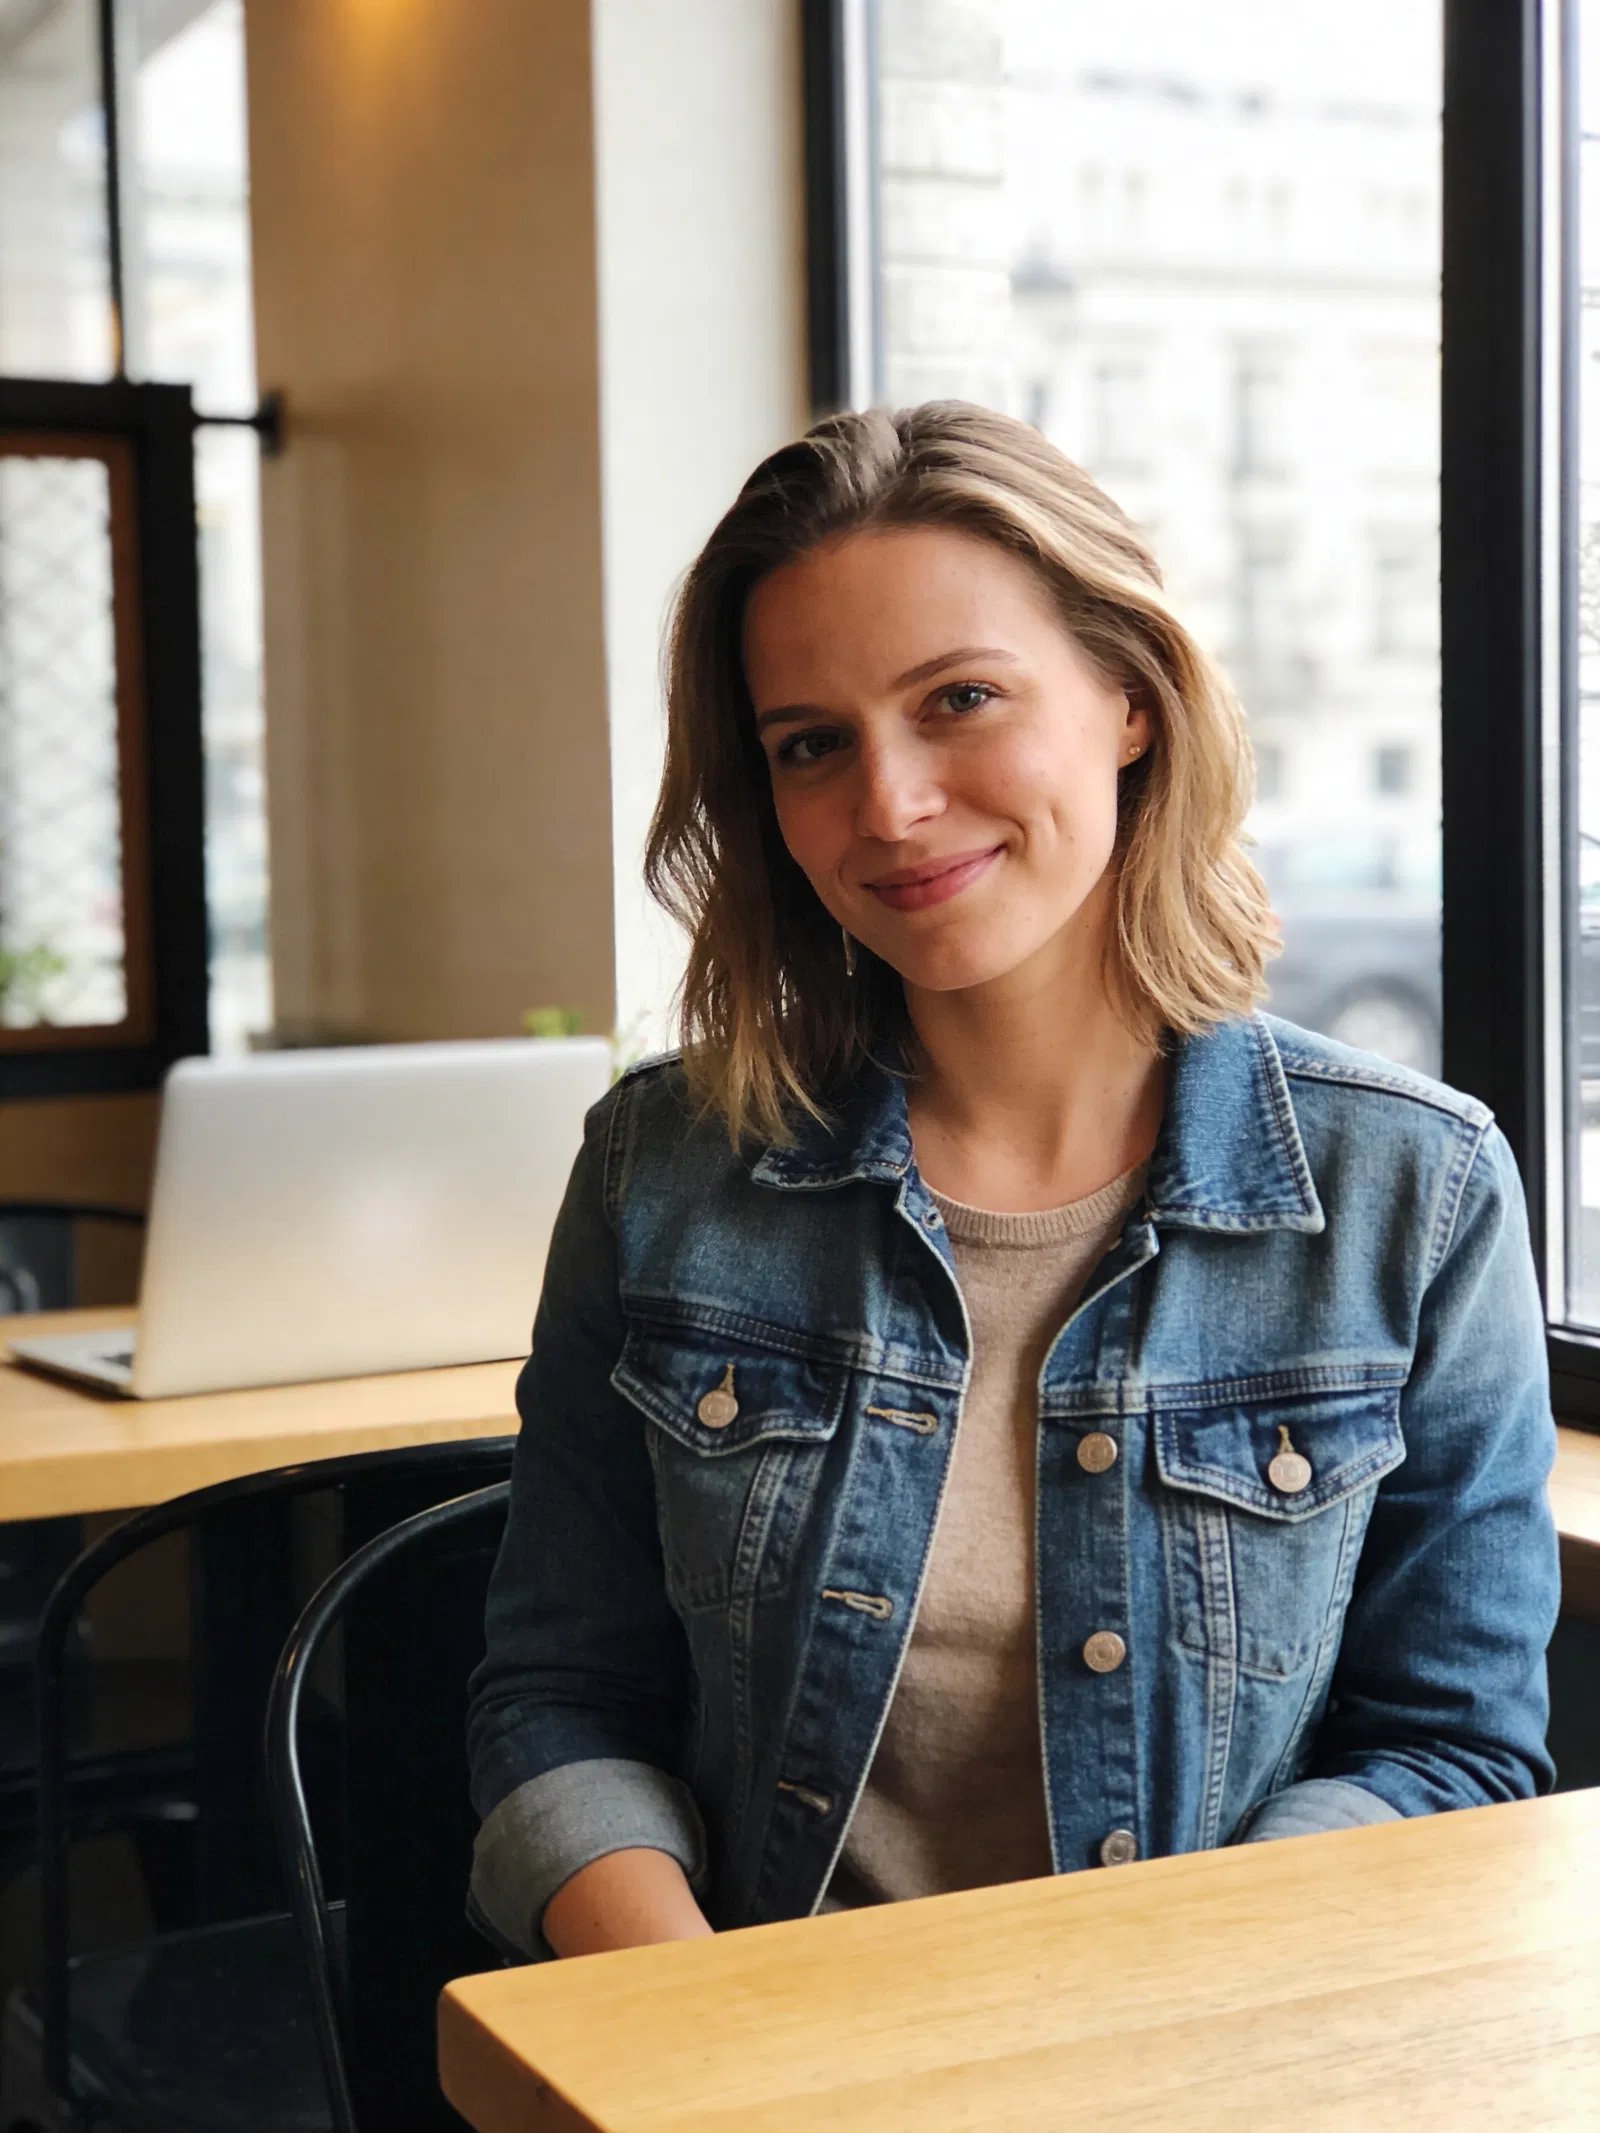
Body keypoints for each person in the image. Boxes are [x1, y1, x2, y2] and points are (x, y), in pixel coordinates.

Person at [466, 402, 1559, 1961]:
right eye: (811, 745)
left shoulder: (1417, 1189)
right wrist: (704, 2035)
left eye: (959, 699)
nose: (891, 805)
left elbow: (1452, 1753)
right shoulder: (663, 1170)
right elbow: (559, 1701)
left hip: (1209, 2059)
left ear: (1129, 697)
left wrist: (1134, 2013)